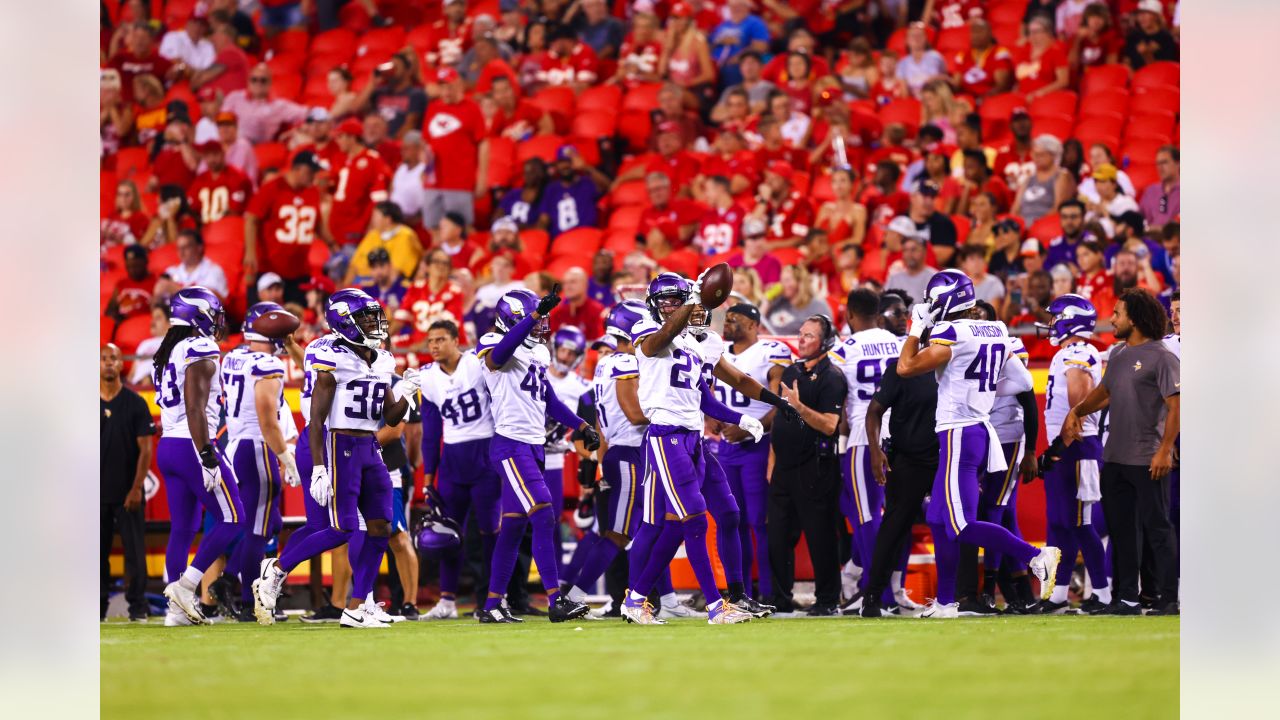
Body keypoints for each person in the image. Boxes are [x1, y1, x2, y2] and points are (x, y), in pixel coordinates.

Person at [617, 273, 793, 624]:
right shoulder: (646, 328)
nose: (680, 307)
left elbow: (710, 394)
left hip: (693, 439)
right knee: (692, 520)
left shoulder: (699, 342)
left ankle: (637, 600)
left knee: (726, 513)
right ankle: (716, 607)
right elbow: (658, 342)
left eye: (683, 300)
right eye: (671, 300)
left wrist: (760, 410)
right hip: (665, 438)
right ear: (655, 303)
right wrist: (689, 301)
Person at [895, 270, 1061, 618]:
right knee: (940, 519)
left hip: (960, 430)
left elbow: (906, 367)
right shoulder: (997, 329)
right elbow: (1019, 381)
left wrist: (915, 328)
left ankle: (1036, 556)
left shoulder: (951, 331)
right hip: (976, 430)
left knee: (960, 523)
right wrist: (980, 393)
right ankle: (945, 602)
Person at [253, 289, 417, 628]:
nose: (375, 323)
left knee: (380, 526)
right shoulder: (329, 355)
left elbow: (390, 415)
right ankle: (277, 569)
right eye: (367, 318)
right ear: (346, 321)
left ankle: (357, 607)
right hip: (338, 443)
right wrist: (317, 468)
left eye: (375, 317)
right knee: (342, 528)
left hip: (370, 447)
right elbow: (316, 420)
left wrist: (407, 392)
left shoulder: (382, 358)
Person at [473, 286, 596, 623]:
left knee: (513, 528)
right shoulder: (489, 342)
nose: (543, 326)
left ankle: (493, 605)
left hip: (532, 445)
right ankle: (557, 599)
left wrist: (581, 425)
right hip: (510, 444)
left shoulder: (539, 354)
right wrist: (532, 317)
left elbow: (550, 400)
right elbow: (499, 356)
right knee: (544, 512)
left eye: (543, 319)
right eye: (537, 319)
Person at [1061, 288, 1180, 615]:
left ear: (1135, 319)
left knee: (1158, 529)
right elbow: (1103, 392)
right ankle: (1125, 598)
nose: (1111, 318)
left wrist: (1166, 449)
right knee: (1122, 531)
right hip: (1114, 458)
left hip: (1148, 457)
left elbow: (1177, 406)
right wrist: (1078, 412)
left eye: (1117, 312)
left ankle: (1170, 598)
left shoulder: (1163, 357)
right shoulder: (1117, 354)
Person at [150, 288, 243, 625]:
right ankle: (186, 587)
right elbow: (195, 407)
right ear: (197, 314)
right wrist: (207, 455)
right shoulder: (198, 346)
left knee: (183, 529)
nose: (218, 321)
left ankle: (175, 613)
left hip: (169, 447)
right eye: (213, 313)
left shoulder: (165, 351)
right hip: (193, 444)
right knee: (234, 517)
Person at [827, 290, 908, 613]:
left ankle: (877, 592)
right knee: (895, 514)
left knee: (866, 515)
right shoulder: (901, 343)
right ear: (879, 312)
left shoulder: (844, 350)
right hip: (901, 434)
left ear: (849, 315)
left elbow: (839, 401)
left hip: (865, 435)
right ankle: (886, 588)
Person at [221, 302, 302, 621]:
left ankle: (229, 579)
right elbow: (268, 421)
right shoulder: (267, 364)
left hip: (238, 446)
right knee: (259, 529)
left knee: (271, 523)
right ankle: (244, 599)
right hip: (257, 446)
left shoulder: (233, 356)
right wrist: (286, 457)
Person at [858, 291, 937, 617]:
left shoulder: (954, 364)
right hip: (908, 458)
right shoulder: (902, 368)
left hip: (946, 455)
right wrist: (876, 450)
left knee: (953, 524)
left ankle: (957, 596)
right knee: (894, 527)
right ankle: (871, 597)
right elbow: (874, 411)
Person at [1033, 294, 1113, 614]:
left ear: (1070, 319)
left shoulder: (1079, 352)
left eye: (1055, 317)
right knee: (1059, 523)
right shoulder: (1071, 352)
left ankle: (1103, 595)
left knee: (1080, 524)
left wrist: (1058, 447)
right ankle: (1056, 597)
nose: (1051, 324)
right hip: (1067, 447)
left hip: (1077, 447)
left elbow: (1078, 405)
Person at [417, 320, 501, 620]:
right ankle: (447, 601)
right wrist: (429, 475)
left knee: (489, 532)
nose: (435, 346)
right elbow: (430, 431)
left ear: (456, 340)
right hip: (452, 458)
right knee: (447, 532)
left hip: (484, 452)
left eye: (441, 339)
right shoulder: (427, 378)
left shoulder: (476, 364)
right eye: (430, 341)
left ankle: (491, 599)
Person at [767, 315, 847, 615]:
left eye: (809, 336)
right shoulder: (790, 372)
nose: (801, 340)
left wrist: (800, 407)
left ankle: (827, 601)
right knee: (777, 537)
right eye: (800, 334)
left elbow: (829, 425)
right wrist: (772, 462)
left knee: (820, 537)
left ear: (825, 342)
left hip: (815, 467)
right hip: (784, 468)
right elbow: (780, 421)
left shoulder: (833, 377)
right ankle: (780, 599)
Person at [715, 304, 790, 604]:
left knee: (759, 522)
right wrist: (716, 420)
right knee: (734, 521)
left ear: (753, 323)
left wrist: (750, 428)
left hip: (758, 444)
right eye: (728, 318)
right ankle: (741, 592)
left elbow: (781, 400)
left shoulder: (770, 351)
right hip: (726, 447)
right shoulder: (717, 350)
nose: (728, 322)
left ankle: (771, 593)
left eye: (735, 319)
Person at [101, 344, 155, 622]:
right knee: (95, 554)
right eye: (104, 359)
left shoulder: (135, 403)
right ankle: (96, 608)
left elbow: (146, 450)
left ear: (122, 364)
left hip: (127, 492)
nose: (109, 363)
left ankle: (138, 607)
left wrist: (136, 488)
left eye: (114, 358)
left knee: (135, 553)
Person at [244, 151, 332, 304]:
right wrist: (250, 252)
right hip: (270, 268)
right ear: (297, 169)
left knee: (299, 320)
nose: (313, 177)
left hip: (300, 270)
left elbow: (318, 224)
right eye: (310, 172)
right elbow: (251, 219)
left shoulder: (312, 192)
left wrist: (333, 244)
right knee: (264, 319)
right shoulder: (272, 188)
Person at [543, 326, 595, 579]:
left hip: (557, 458)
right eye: (562, 351)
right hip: (526, 453)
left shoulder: (583, 388)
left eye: (570, 353)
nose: (564, 357)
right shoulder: (537, 375)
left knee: (551, 522)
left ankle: (555, 582)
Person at [423, 68, 487, 229]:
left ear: (458, 85)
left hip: (459, 180)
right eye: (442, 87)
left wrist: (482, 177)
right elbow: (426, 142)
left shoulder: (471, 108)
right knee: (433, 227)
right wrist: (423, 167)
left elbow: (484, 143)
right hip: (434, 180)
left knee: (461, 228)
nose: (445, 91)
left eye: (449, 86)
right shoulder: (433, 108)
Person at [328, 118, 391, 246]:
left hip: (357, 227)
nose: (337, 141)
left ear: (352, 138)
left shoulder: (372, 159)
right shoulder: (339, 158)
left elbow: (379, 197)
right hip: (336, 225)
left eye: (341, 137)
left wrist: (371, 226)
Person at [393, 249, 470, 349]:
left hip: (447, 347)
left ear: (450, 270)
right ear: (427, 267)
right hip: (418, 342)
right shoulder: (415, 288)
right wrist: (383, 339)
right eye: (436, 261)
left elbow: (446, 328)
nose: (440, 266)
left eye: (445, 263)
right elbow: (400, 319)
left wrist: (423, 345)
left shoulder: (455, 292)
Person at [220, 64, 306, 145]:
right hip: (232, 143)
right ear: (248, 81)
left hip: (260, 148)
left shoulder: (278, 105)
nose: (258, 83)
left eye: (263, 80)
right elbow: (221, 122)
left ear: (270, 83)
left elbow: (307, 113)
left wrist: (298, 129)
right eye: (254, 80)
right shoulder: (234, 97)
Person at [345, 202, 423, 285]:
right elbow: (354, 266)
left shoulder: (406, 236)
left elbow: (396, 272)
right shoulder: (373, 234)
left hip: (388, 285)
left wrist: (370, 286)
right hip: (361, 281)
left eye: (375, 216)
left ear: (387, 219)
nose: (372, 219)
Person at [538, 146, 608, 239]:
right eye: (561, 162)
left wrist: (586, 168)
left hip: (587, 238)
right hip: (560, 243)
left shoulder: (587, 182)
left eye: (569, 161)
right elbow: (544, 219)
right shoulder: (551, 189)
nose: (565, 165)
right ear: (556, 165)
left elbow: (609, 187)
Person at [1012, 134, 1075, 227]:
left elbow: (1059, 207)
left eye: (1041, 155)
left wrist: (1036, 224)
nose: (1036, 158)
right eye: (1035, 154)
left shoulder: (1061, 176)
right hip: (1022, 223)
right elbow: (1016, 207)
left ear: (1053, 156)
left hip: (1045, 223)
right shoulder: (1029, 178)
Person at [187, 140, 253, 224]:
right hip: (204, 228)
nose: (211, 159)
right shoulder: (200, 179)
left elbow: (235, 211)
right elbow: (191, 208)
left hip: (229, 227)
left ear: (223, 154)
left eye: (215, 154)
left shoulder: (237, 177)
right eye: (207, 156)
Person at [953, 18, 1013, 99]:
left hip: (990, 100)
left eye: (980, 31)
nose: (975, 35)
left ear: (990, 34)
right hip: (967, 100)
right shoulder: (962, 55)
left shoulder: (999, 53)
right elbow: (956, 85)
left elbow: (1002, 85)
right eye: (973, 32)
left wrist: (983, 99)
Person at [161, 229, 229, 300]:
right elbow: (156, 298)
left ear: (199, 248)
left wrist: (177, 289)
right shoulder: (171, 271)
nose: (181, 252)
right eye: (179, 248)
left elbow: (217, 302)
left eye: (186, 247)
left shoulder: (214, 271)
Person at [764, 264, 831, 336]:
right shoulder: (777, 302)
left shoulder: (817, 305)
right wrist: (766, 300)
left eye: (787, 280)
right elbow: (758, 325)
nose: (782, 285)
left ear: (800, 282)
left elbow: (827, 333)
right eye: (781, 281)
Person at [1015, 16, 1070, 101]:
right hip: (1023, 98)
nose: (1032, 35)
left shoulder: (1056, 52)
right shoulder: (1024, 51)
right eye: (1030, 32)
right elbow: (1019, 80)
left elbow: (1063, 81)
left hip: (1045, 99)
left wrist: (1040, 93)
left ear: (1047, 33)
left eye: (1036, 31)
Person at [547, 267, 606, 339]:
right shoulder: (557, 313)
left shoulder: (598, 311)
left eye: (573, 282)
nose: (567, 287)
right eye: (565, 283)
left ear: (585, 284)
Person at [896, 22, 948, 98]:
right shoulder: (902, 63)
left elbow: (944, 78)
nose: (916, 38)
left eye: (919, 35)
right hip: (913, 102)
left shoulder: (935, 57)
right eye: (913, 36)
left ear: (926, 38)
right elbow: (904, 92)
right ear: (907, 40)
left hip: (935, 98)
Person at [1124, 0, 1179, 68]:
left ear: (1156, 16)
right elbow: (1126, 62)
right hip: (1135, 77)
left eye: (1145, 13)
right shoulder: (1133, 36)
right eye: (1139, 14)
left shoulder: (1166, 38)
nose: (1141, 17)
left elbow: (1166, 69)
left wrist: (1147, 55)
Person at [885, 236, 938, 305]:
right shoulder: (894, 278)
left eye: (913, 250)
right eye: (905, 250)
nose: (909, 254)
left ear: (924, 252)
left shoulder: (935, 278)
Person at [1139, 146, 1180, 229]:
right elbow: (1139, 219)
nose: (1160, 168)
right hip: (1149, 238)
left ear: (1178, 163)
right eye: (1158, 164)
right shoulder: (1150, 191)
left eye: (1164, 162)